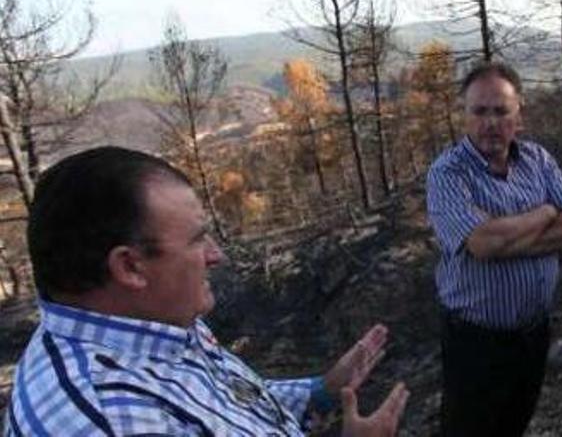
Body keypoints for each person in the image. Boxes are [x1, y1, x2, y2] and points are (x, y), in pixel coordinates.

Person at [2, 146, 408, 436]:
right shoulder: (108, 420)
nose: (215, 256)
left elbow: (227, 409)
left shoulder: (153, 325)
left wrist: (323, 392)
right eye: (197, 240)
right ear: (129, 267)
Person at [426, 62, 562, 436]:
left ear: (519, 114)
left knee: (515, 423)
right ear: (464, 116)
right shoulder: (448, 173)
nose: (490, 122)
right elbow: (484, 244)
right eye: (479, 111)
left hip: (534, 334)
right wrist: (547, 213)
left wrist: (508, 236)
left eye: (501, 111)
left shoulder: (537, 159)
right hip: (475, 343)